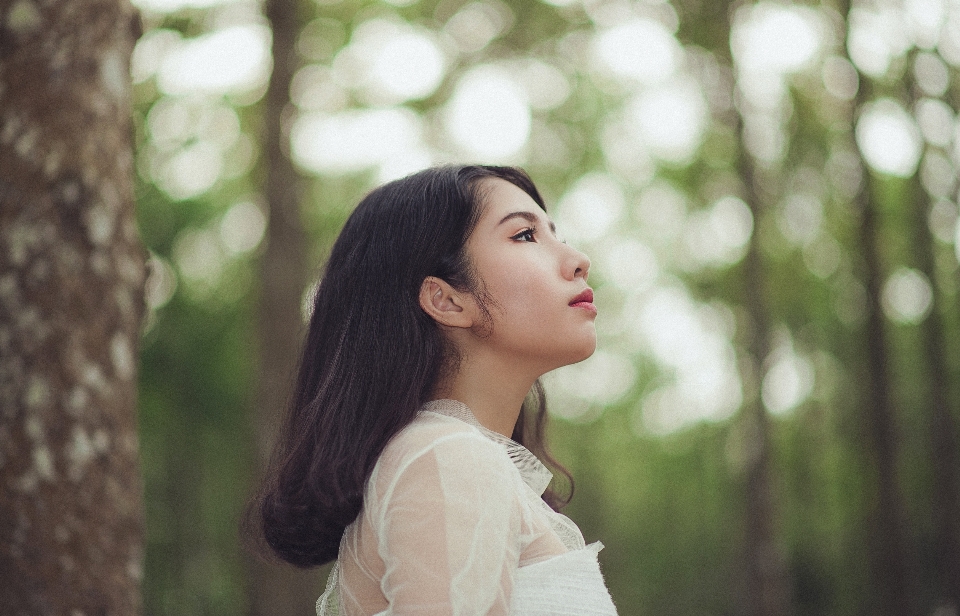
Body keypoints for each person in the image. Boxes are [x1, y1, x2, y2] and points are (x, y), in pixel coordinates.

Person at [247, 165, 618, 615]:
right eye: (525, 235)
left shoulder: (454, 459)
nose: (578, 259)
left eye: (554, 233)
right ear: (446, 300)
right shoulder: (448, 459)